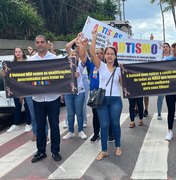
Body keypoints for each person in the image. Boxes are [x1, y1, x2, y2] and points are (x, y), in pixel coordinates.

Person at [80, 29, 123, 160]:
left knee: (115, 124)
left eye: (112, 54)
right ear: (104, 56)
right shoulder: (101, 66)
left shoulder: (120, 69)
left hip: (115, 100)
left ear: (115, 56)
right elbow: (92, 53)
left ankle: (118, 146)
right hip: (102, 100)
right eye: (107, 54)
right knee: (104, 125)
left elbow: (124, 85)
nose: (109, 56)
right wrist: (94, 37)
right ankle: (104, 150)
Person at [30, 35, 61, 163]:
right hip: (37, 99)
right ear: (35, 44)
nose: (40, 44)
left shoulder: (55, 59)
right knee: (40, 127)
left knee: (54, 126)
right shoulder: (30, 61)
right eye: (38, 42)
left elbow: (62, 76)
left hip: (53, 98)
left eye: (42, 42)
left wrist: (73, 73)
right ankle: (41, 151)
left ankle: (55, 151)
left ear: (47, 44)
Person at [62, 47, 87, 140]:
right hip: (68, 92)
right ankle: (71, 131)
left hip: (79, 92)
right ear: (69, 56)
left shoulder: (81, 64)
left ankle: (80, 131)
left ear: (78, 57)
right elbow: (67, 46)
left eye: (76, 55)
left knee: (79, 112)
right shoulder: (66, 65)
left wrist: (81, 44)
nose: (74, 56)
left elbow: (84, 55)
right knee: (70, 113)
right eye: (72, 55)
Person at [6, 46, 32, 133]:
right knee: (18, 106)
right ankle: (15, 124)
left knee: (28, 106)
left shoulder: (27, 62)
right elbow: (9, 77)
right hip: (16, 88)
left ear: (22, 53)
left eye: (19, 51)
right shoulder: (12, 64)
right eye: (16, 52)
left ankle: (28, 124)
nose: (18, 53)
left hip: (27, 87)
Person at [165, 41, 176, 141]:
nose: (175, 48)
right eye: (174, 47)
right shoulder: (167, 60)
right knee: (171, 111)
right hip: (170, 91)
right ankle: (169, 131)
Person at [157, 42, 171, 120]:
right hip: (161, 80)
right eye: (164, 47)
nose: (165, 48)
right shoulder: (160, 57)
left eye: (167, 46)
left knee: (171, 99)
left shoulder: (173, 57)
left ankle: (172, 113)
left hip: (171, 80)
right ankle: (159, 113)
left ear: (169, 48)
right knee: (160, 98)